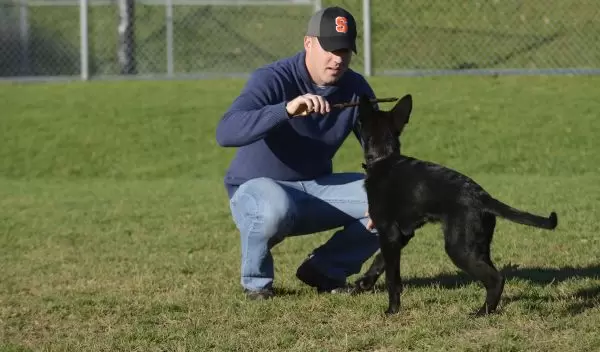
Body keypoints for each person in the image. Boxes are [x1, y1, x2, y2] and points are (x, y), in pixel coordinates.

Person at [216, 6, 379, 300]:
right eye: (329, 48)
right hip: (257, 192)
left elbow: (379, 146)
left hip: (314, 190)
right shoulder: (273, 78)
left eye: (344, 50)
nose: (337, 58)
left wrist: (386, 186)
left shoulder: (355, 88)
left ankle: (326, 270)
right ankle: (256, 285)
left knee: (396, 202)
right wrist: (286, 110)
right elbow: (226, 131)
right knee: (276, 207)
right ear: (308, 43)